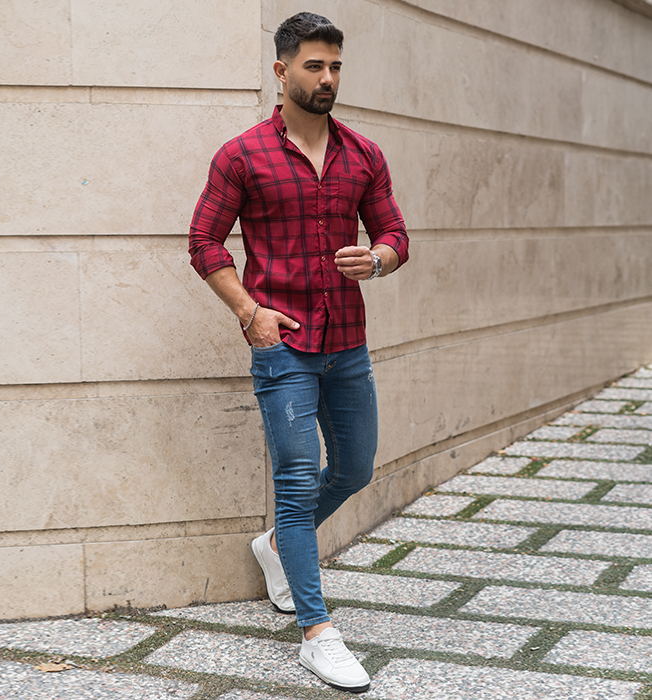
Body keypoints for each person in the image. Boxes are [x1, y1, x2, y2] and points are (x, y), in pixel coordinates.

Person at [188, 11, 409, 693]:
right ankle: (318, 633)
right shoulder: (242, 155)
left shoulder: (364, 155)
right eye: (315, 66)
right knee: (295, 478)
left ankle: (280, 544)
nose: (328, 78)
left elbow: (396, 234)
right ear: (282, 72)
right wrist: (248, 311)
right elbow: (204, 243)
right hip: (282, 344)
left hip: (347, 342)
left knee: (356, 468)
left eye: (335, 66)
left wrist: (377, 259)